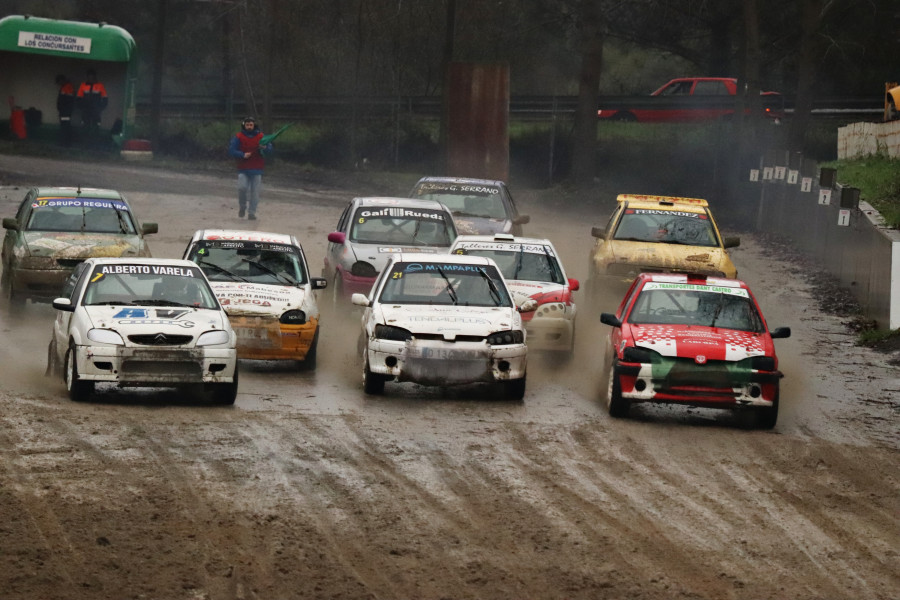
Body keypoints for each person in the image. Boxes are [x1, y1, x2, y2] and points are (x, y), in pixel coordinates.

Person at [228, 116, 272, 220]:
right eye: (247, 125)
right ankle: (242, 207)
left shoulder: (261, 137)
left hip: (257, 169)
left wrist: (265, 148)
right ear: (244, 125)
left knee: (255, 193)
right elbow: (231, 150)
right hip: (243, 168)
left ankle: (252, 212)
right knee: (241, 188)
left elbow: (270, 149)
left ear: (254, 125)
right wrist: (242, 154)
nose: (249, 127)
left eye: (251, 125)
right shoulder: (238, 137)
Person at [55, 74, 75, 146]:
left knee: (65, 126)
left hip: (65, 111)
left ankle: (66, 142)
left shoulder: (67, 87)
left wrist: (63, 108)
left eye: (59, 82)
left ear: (62, 80)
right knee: (64, 125)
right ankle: (65, 141)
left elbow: (68, 100)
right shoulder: (65, 87)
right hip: (64, 111)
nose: (59, 84)